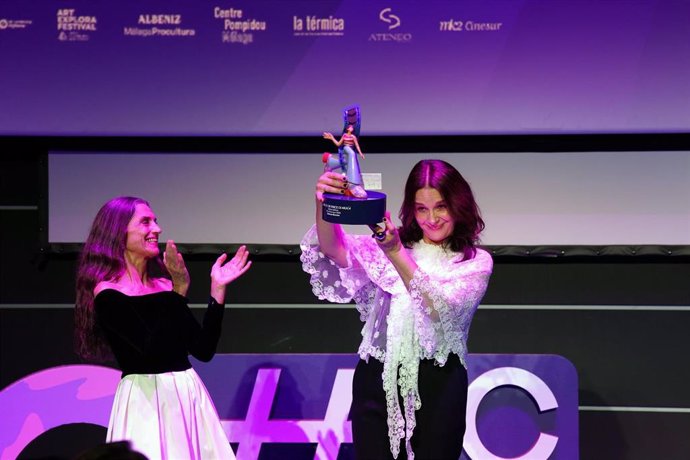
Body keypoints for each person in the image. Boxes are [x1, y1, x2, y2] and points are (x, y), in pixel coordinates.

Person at [301, 159, 493, 459]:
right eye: (421, 209)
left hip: (439, 387)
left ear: (459, 205)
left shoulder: (474, 262)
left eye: (441, 206)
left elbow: (437, 309)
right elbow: (333, 249)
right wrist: (325, 202)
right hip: (377, 381)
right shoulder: (391, 244)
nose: (432, 218)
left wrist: (395, 252)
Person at [75, 196, 251, 460]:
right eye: (145, 222)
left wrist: (217, 290)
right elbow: (149, 349)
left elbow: (203, 349)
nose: (156, 229)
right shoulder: (108, 293)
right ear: (117, 231)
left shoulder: (164, 286)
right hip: (146, 399)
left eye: (155, 221)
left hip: (186, 392)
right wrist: (178, 291)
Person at [322, 124, 367, 198]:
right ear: (348, 128)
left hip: (349, 153)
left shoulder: (353, 137)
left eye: (352, 128)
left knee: (347, 161)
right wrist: (332, 138)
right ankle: (353, 184)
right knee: (352, 154)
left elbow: (357, 145)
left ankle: (331, 162)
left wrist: (361, 153)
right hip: (346, 149)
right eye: (350, 127)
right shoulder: (344, 136)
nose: (352, 128)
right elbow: (338, 144)